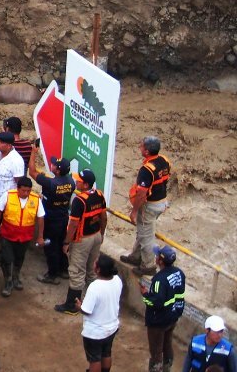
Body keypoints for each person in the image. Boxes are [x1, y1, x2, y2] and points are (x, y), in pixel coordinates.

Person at [55, 169, 107, 315]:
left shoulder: (79, 200)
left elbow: (73, 225)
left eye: (79, 180)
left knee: (76, 272)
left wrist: (66, 242)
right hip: (96, 236)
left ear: (85, 184)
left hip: (82, 240)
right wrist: (101, 234)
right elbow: (104, 217)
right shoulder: (99, 194)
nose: (76, 182)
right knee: (92, 271)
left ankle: (72, 305)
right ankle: (96, 302)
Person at [122, 136, 171, 276]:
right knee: (144, 231)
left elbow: (142, 194)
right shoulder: (164, 160)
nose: (139, 147)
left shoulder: (146, 170)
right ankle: (136, 256)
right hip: (162, 202)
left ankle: (148, 266)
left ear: (147, 151)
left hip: (149, 206)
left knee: (146, 237)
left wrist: (134, 211)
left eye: (142, 146)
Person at [30, 150, 75, 284]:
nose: (52, 165)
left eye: (55, 165)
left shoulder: (50, 183)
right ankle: (63, 269)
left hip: (51, 219)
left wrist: (33, 153)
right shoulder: (71, 182)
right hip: (63, 217)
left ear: (58, 170)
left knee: (51, 247)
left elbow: (32, 172)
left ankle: (51, 275)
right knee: (61, 244)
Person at [0, 176, 45, 298]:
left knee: (19, 258)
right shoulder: (8, 195)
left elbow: (40, 218)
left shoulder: (36, 199)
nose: (26, 193)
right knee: (6, 259)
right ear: (18, 189)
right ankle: (8, 281)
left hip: (25, 236)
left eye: (28, 191)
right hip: (7, 234)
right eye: (23, 191)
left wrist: (40, 236)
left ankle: (15, 277)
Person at [141, 246, 186, 372]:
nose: (155, 257)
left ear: (160, 261)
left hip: (158, 321)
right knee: (167, 344)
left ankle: (156, 369)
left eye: (157, 256)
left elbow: (156, 302)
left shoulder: (159, 280)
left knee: (156, 351)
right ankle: (167, 367)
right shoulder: (179, 273)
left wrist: (144, 294)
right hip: (173, 317)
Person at [77, 254, 123, 372]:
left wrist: (79, 306)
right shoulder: (117, 280)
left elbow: (86, 310)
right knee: (106, 353)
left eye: (95, 262)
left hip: (95, 332)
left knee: (95, 359)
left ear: (98, 270)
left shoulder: (95, 287)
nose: (93, 263)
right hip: (112, 327)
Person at [0, 131, 26, 210]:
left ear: (9, 146)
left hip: (7, 199)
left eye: (1, 142)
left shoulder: (16, 160)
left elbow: (19, 182)